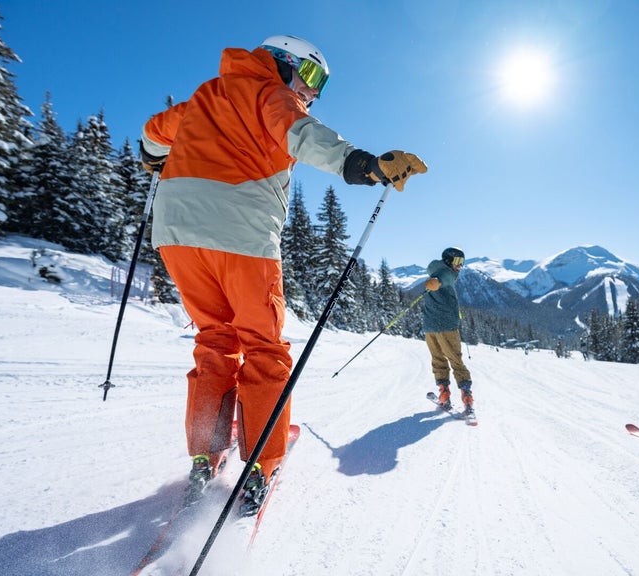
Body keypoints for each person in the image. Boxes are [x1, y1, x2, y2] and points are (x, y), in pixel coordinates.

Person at [140, 34, 427, 514]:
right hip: (240, 236)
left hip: (175, 235)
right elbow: (303, 134)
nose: (313, 91)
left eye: (321, 84)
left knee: (214, 338)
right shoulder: (272, 93)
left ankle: (203, 453)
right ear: (282, 63)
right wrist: (365, 165)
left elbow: (152, 133)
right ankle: (260, 464)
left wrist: (154, 158)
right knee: (263, 346)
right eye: (312, 76)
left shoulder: (204, 98)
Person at [423, 247, 474, 414]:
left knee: (438, 360)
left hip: (430, 326)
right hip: (446, 327)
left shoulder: (436, 269)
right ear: (447, 261)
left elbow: (437, 280)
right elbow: (441, 280)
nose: (460, 266)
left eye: (462, 262)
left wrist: (434, 283)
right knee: (456, 361)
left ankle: (444, 394)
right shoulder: (447, 274)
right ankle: (467, 399)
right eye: (458, 262)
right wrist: (435, 283)